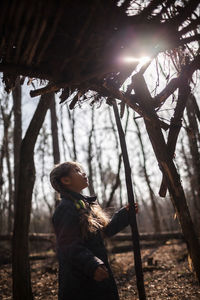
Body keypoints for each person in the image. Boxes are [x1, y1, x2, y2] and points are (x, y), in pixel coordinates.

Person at [49, 161, 138, 300]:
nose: (83, 173)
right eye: (77, 171)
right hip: (80, 282)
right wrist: (91, 264)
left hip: (95, 278)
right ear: (66, 180)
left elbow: (104, 232)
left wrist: (125, 215)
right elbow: (69, 245)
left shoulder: (85, 205)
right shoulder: (65, 209)